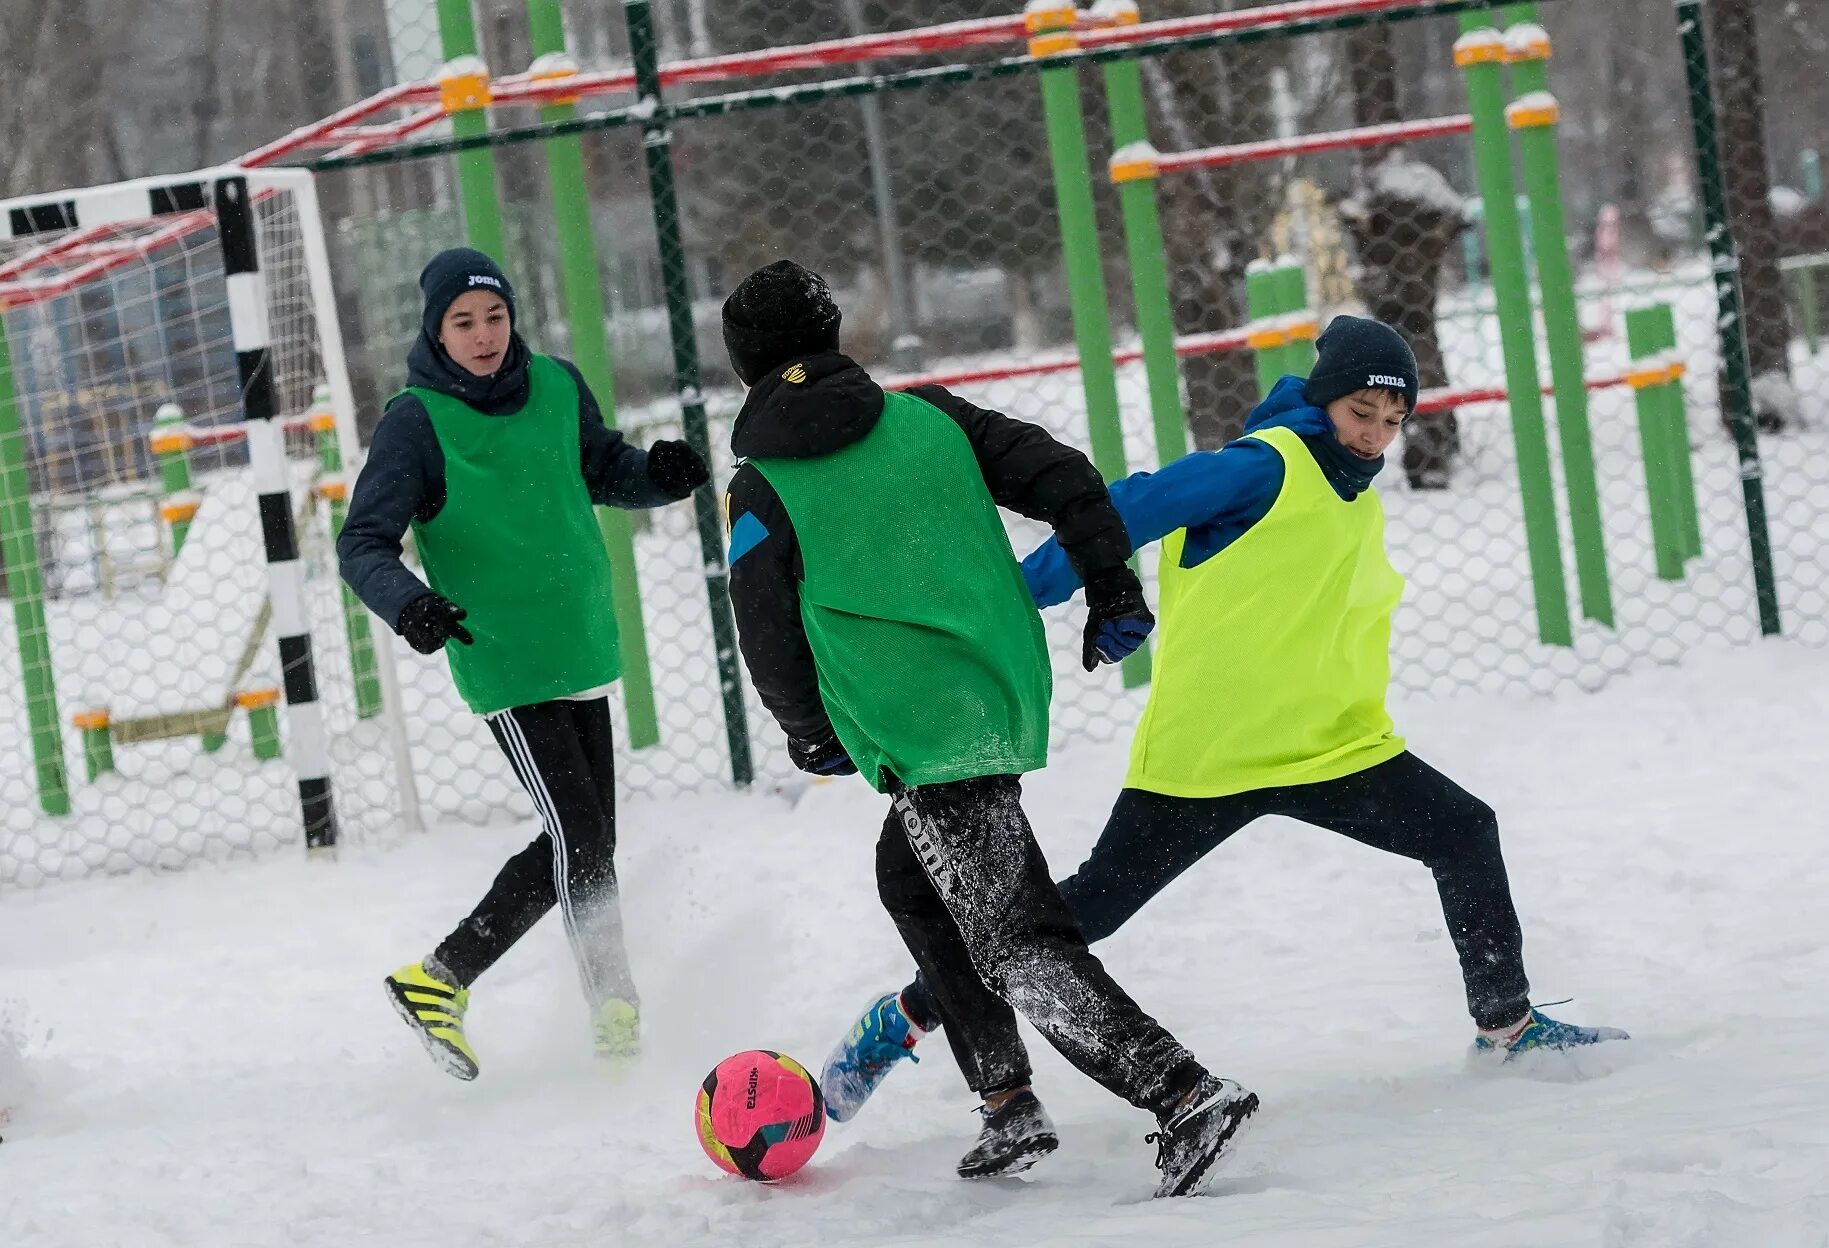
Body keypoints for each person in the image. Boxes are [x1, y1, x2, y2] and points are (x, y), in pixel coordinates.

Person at [820, 316, 1629, 1138]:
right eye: (1360, 413)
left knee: (1463, 832)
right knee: (1078, 915)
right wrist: (1019, 597)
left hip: (1331, 747)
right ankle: (909, 1013)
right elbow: (1134, 504)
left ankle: (1508, 1027)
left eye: (1393, 421)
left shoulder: (1349, 486)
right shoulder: (1260, 466)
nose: (1376, 435)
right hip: (1208, 758)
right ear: (1323, 399)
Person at [720, 260, 1256, 1198]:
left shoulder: (761, 486)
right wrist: (1111, 586)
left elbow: (761, 627)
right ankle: (1007, 1102)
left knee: (1017, 941)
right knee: (913, 883)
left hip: (911, 728)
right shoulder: (934, 416)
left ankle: (1181, 1092)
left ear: (742, 367)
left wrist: (809, 733)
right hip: (996, 692)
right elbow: (1068, 478)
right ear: (834, 337)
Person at [338, 248, 711, 1081]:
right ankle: (615, 1011)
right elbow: (360, 542)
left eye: (494, 317)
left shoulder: (555, 383)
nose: (482, 336)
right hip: (500, 654)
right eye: (462, 323)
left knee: (585, 837)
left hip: (576, 641)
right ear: (435, 330)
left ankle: (436, 980)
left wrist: (658, 475)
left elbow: (603, 467)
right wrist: (411, 604)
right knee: (582, 835)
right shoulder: (416, 420)